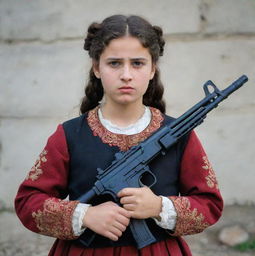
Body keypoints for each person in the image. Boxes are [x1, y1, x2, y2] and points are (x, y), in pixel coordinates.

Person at [15, 15, 223, 256]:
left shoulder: (179, 134)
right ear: (96, 67)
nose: (126, 74)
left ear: (153, 68)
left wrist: (158, 207)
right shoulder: (69, 135)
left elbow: (210, 205)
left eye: (137, 63)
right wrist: (85, 215)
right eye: (114, 63)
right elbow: (28, 202)